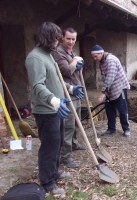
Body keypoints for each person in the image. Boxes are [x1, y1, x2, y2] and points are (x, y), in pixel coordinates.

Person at [25, 22, 84, 196]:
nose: (58, 42)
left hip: (55, 108)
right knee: (49, 147)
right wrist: (54, 101)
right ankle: (47, 183)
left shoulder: (49, 55)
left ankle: (54, 172)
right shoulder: (35, 58)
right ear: (46, 38)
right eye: (55, 39)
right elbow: (37, 86)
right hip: (46, 110)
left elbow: (56, 79)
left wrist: (71, 88)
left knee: (57, 144)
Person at [51, 27, 86, 169]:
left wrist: (79, 66)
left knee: (76, 122)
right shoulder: (58, 53)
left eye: (73, 39)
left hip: (76, 91)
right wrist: (74, 62)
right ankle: (65, 156)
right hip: (66, 93)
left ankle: (74, 143)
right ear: (62, 38)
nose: (71, 42)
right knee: (68, 126)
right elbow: (65, 71)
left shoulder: (71, 52)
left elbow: (76, 70)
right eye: (68, 39)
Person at [90, 44, 131, 137]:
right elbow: (105, 78)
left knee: (122, 110)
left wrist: (103, 93)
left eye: (95, 56)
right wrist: (106, 91)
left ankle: (126, 129)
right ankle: (111, 129)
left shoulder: (111, 60)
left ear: (101, 53)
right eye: (93, 56)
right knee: (109, 109)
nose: (94, 58)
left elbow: (110, 78)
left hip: (120, 87)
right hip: (110, 89)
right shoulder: (102, 61)